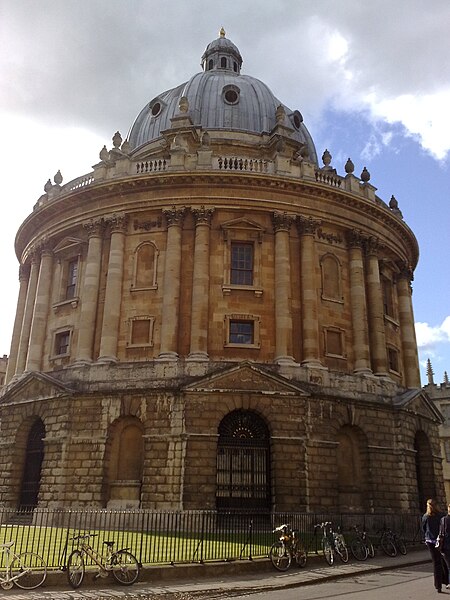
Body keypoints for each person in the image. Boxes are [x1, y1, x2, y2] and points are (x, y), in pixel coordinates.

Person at [422, 498, 449, 593]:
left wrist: (426, 537)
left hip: (430, 541)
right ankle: (446, 581)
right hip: (440, 541)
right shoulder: (441, 515)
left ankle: (438, 585)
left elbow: (424, 529)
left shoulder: (425, 516)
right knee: (445, 561)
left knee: (436, 563)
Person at [440, 503, 450, 589]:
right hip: (446, 546)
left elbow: (441, 533)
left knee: (449, 566)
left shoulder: (443, 519)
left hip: (446, 546)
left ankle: (449, 582)